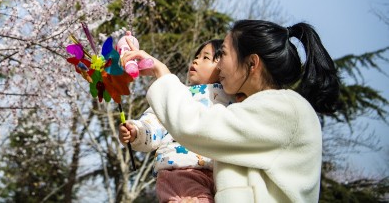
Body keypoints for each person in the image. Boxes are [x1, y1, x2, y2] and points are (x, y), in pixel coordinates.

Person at [121, 20, 340, 203]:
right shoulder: (252, 108)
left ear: (252, 64)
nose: (219, 66)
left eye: (223, 55)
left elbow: (196, 126)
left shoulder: (285, 109)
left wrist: (163, 74)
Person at [119, 39, 241, 203]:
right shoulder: (178, 93)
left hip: (217, 173)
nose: (196, 60)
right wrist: (137, 131)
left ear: (223, 67)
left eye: (206, 58)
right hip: (179, 170)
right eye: (197, 56)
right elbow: (153, 122)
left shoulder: (231, 97)